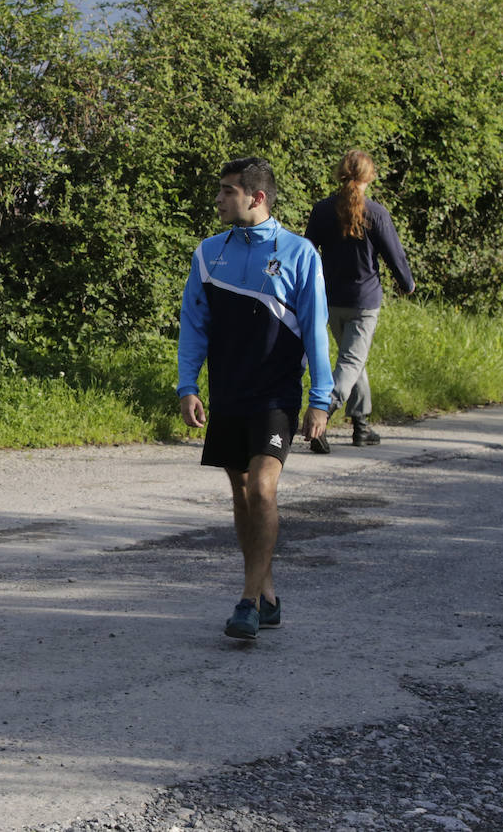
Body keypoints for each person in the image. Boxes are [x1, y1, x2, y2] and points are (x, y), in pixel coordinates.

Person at [177, 156, 333, 640]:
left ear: (255, 196)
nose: (219, 199)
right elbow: (193, 325)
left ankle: (246, 602)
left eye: (227, 191)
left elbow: (315, 330)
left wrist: (320, 399)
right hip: (229, 394)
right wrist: (188, 386)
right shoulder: (208, 253)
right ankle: (265, 594)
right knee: (242, 496)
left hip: (276, 395)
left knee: (262, 489)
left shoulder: (300, 253)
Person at [304, 149, 415, 452]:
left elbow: (308, 253)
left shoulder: (322, 210)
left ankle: (361, 427)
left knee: (353, 360)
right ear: (370, 176)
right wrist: (407, 283)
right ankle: (322, 413)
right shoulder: (376, 213)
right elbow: (395, 254)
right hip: (364, 301)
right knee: (352, 361)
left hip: (330, 298)